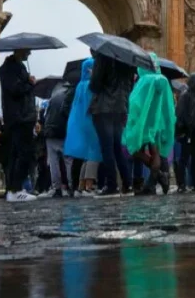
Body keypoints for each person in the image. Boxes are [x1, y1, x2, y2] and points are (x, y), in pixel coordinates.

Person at [123, 53, 176, 196]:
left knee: (134, 149)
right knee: (155, 152)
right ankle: (152, 183)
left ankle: (157, 178)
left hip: (143, 123)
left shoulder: (144, 81)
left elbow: (135, 103)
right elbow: (169, 105)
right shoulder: (162, 80)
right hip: (159, 123)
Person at [89, 54, 135, 196]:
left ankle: (112, 186)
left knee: (107, 148)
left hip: (104, 108)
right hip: (120, 108)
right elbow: (130, 86)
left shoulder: (103, 58)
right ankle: (127, 185)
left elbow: (94, 86)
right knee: (117, 148)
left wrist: (93, 75)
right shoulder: (128, 60)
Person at [0, 48, 38, 201]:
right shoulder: (10, 68)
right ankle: (15, 189)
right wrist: (31, 84)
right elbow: (16, 89)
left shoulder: (15, 67)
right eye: (27, 51)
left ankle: (14, 189)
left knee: (17, 154)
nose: (29, 53)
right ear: (19, 50)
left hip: (19, 116)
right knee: (24, 153)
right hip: (20, 117)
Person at [64, 59, 102, 197]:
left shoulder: (79, 85)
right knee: (93, 154)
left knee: (81, 156)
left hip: (79, 124)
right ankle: (88, 186)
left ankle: (78, 186)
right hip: (90, 123)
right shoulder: (90, 86)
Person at [175, 73, 195, 191]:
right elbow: (180, 114)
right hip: (188, 133)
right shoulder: (185, 96)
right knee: (183, 159)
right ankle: (181, 184)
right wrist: (181, 131)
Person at [41, 79, 72, 198]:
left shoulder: (53, 98)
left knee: (53, 161)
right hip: (64, 131)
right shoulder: (69, 96)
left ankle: (56, 187)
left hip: (50, 132)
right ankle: (70, 185)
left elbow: (46, 116)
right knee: (68, 160)